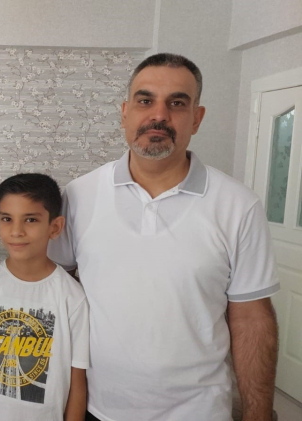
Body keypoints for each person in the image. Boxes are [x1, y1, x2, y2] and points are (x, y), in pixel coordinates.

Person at [48, 53, 279, 421]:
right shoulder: (79, 195)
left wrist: (259, 413)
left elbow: (252, 318)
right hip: (99, 407)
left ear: (197, 118)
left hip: (199, 411)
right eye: (145, 100)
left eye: (177, 103)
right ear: (125, 112)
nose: (159, 115)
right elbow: (55, 289)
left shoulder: (238, 205)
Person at [0, 173, 88, 421]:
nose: (16, 231)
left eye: (30, 219)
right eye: (7, 219)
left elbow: (78, 382)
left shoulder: (72, 297)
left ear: (55, 227)